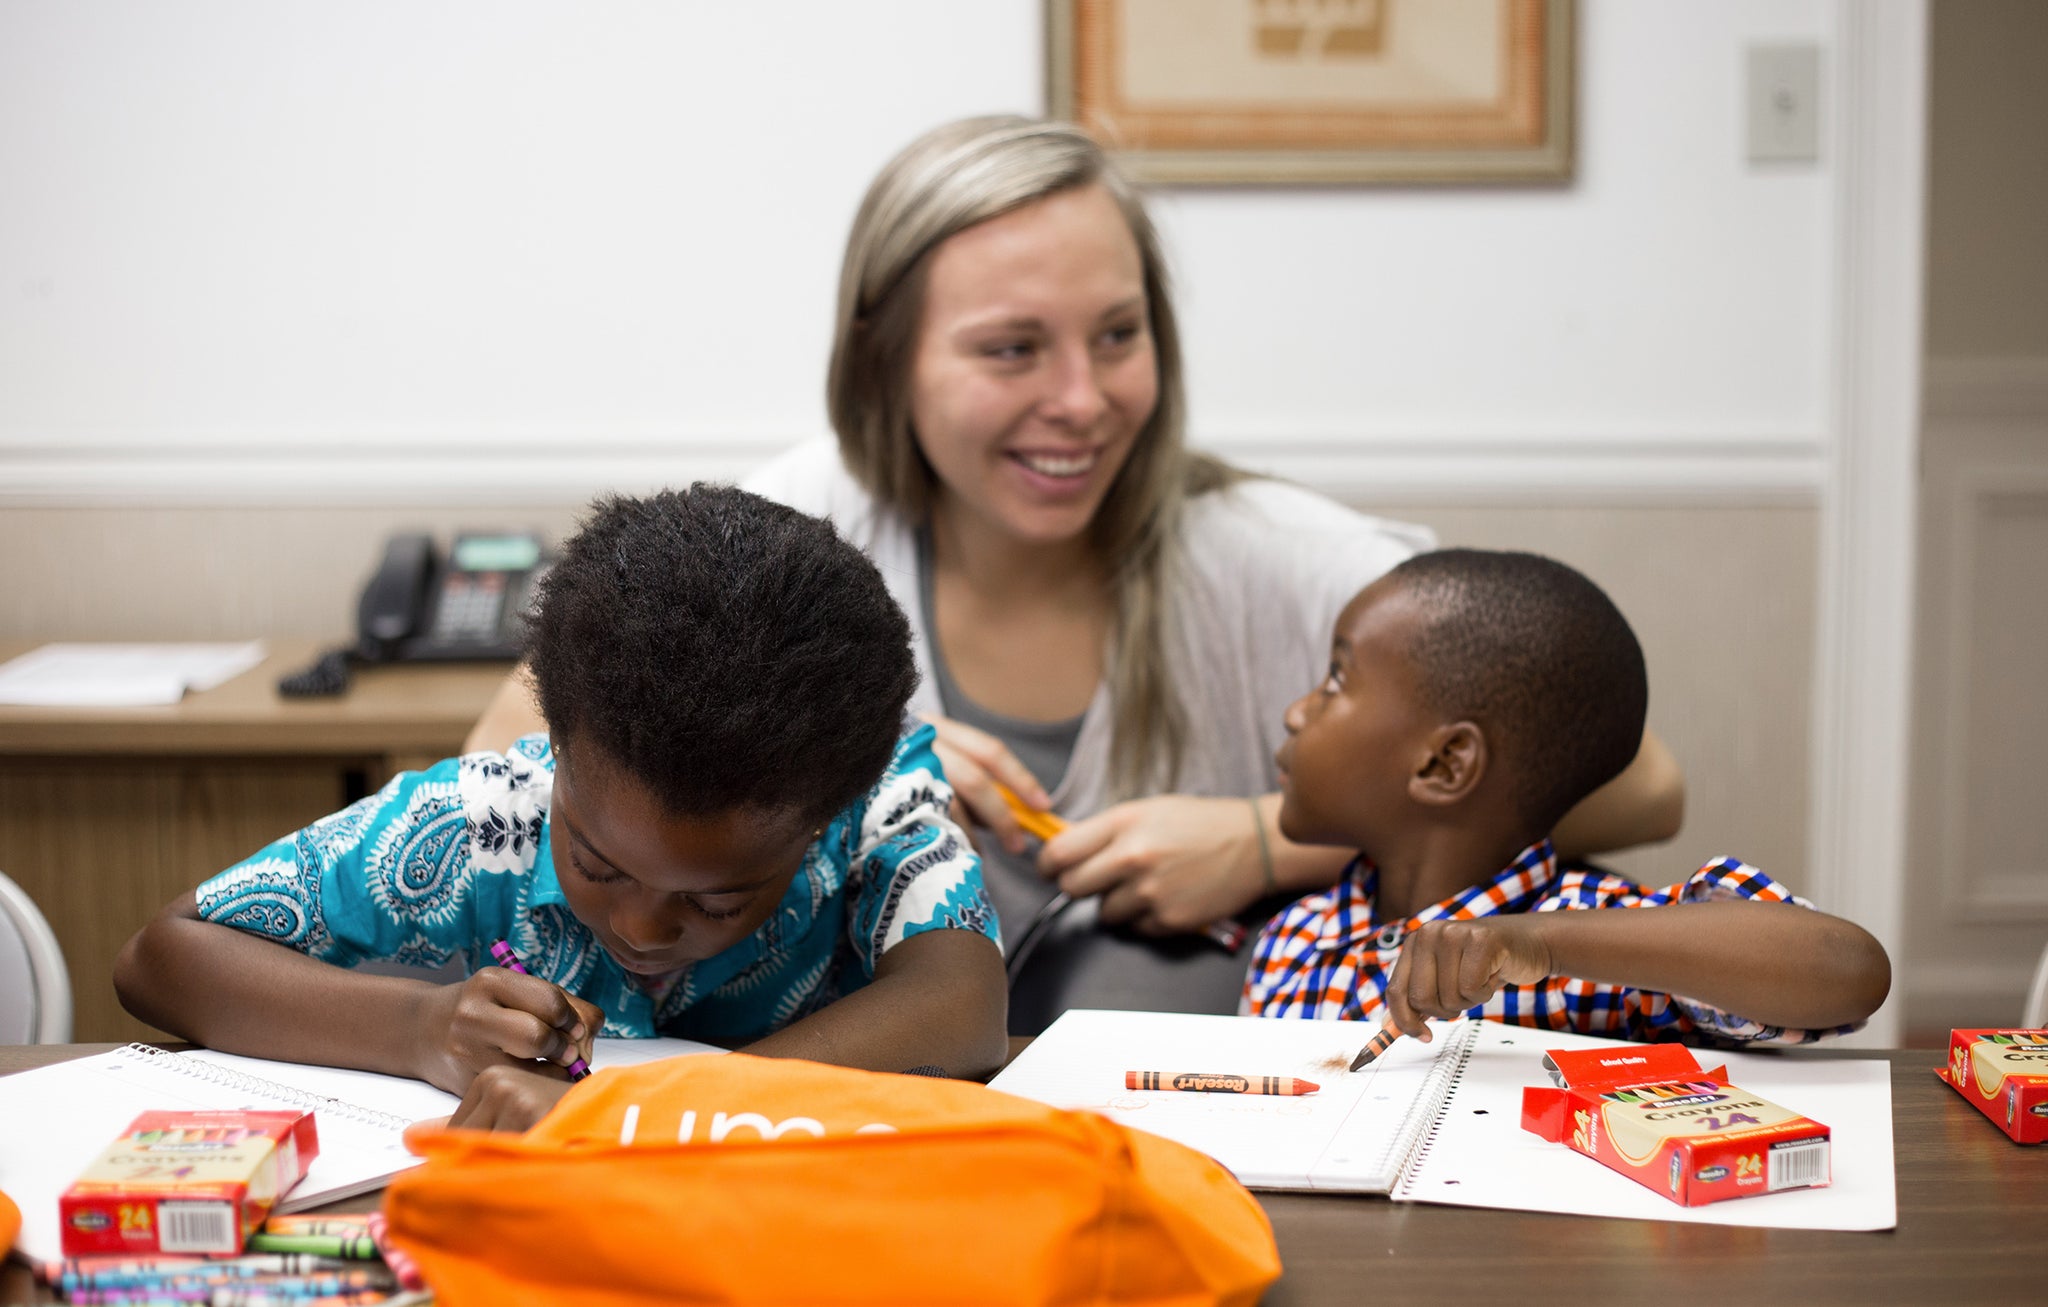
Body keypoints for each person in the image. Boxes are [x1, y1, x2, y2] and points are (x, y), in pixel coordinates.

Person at [465, 115, 1685, 1033]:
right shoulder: (798, 523)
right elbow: (507, 749)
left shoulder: (1268, 555)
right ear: (883, 360)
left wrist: (1266, 841)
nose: (1082, 401)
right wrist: (851, 754)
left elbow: (1639, 786)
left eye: (1117, 334)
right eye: (1010, 349)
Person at [116, 486, 1008, 1130]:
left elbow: (962, 1005)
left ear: (826, 816)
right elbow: (161, 959)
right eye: (596, 863)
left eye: (714, 900)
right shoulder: (482, 821)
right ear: (559, 750)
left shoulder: (880, 801)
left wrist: (643, 1110)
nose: (642, 925)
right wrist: (419, 1027)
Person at [1243, 549, 1890, 1044]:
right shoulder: (1290, 941)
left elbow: (1851, 969)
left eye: (1335, 678)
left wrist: (1542, 942)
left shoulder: (1606, 948)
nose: (1297, 712)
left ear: (1444, 763)